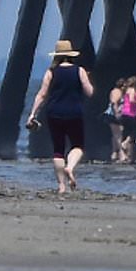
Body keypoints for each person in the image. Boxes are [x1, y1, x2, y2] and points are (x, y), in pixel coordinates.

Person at [26, 40, 94, 194]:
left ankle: (61, 186)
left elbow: (42, 94)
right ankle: (70, 167)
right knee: (77, 145)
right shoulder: (79, 70)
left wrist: (32, 114)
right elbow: (89, 92)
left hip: (54, 112)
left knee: (58, 149)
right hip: (74, 112)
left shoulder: (52, 72)